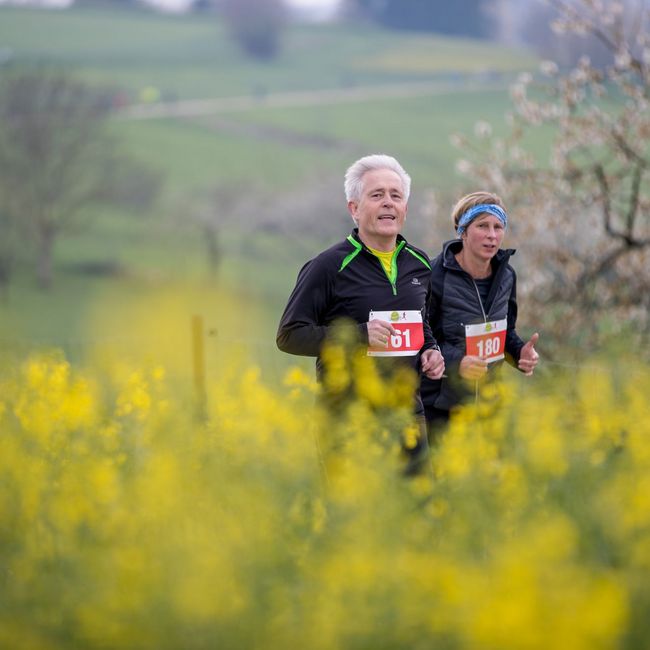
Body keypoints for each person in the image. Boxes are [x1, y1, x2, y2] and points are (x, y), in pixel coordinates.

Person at [276, 154, 445, 473]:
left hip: (407, 417)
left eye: (396, 196)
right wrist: (358, 335)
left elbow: (421, 323)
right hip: (346, 420)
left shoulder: (420, 264)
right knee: (355, 520)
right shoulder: (327, 267)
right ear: (354, 208)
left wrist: (431, 350)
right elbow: (289, 335)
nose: (388, 203)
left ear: (405, 210)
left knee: (418, 517)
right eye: (377, 195)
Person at [420, 191, 539, 440]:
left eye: (498, 227)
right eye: (482, 226)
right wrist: (457, 362)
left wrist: (520, 354)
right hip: (441, 407)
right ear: (462, 231)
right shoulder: (434, 275)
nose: (492, 235)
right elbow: (421, 339)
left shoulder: (507, 276)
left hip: (489, 405)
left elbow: (505, 333)